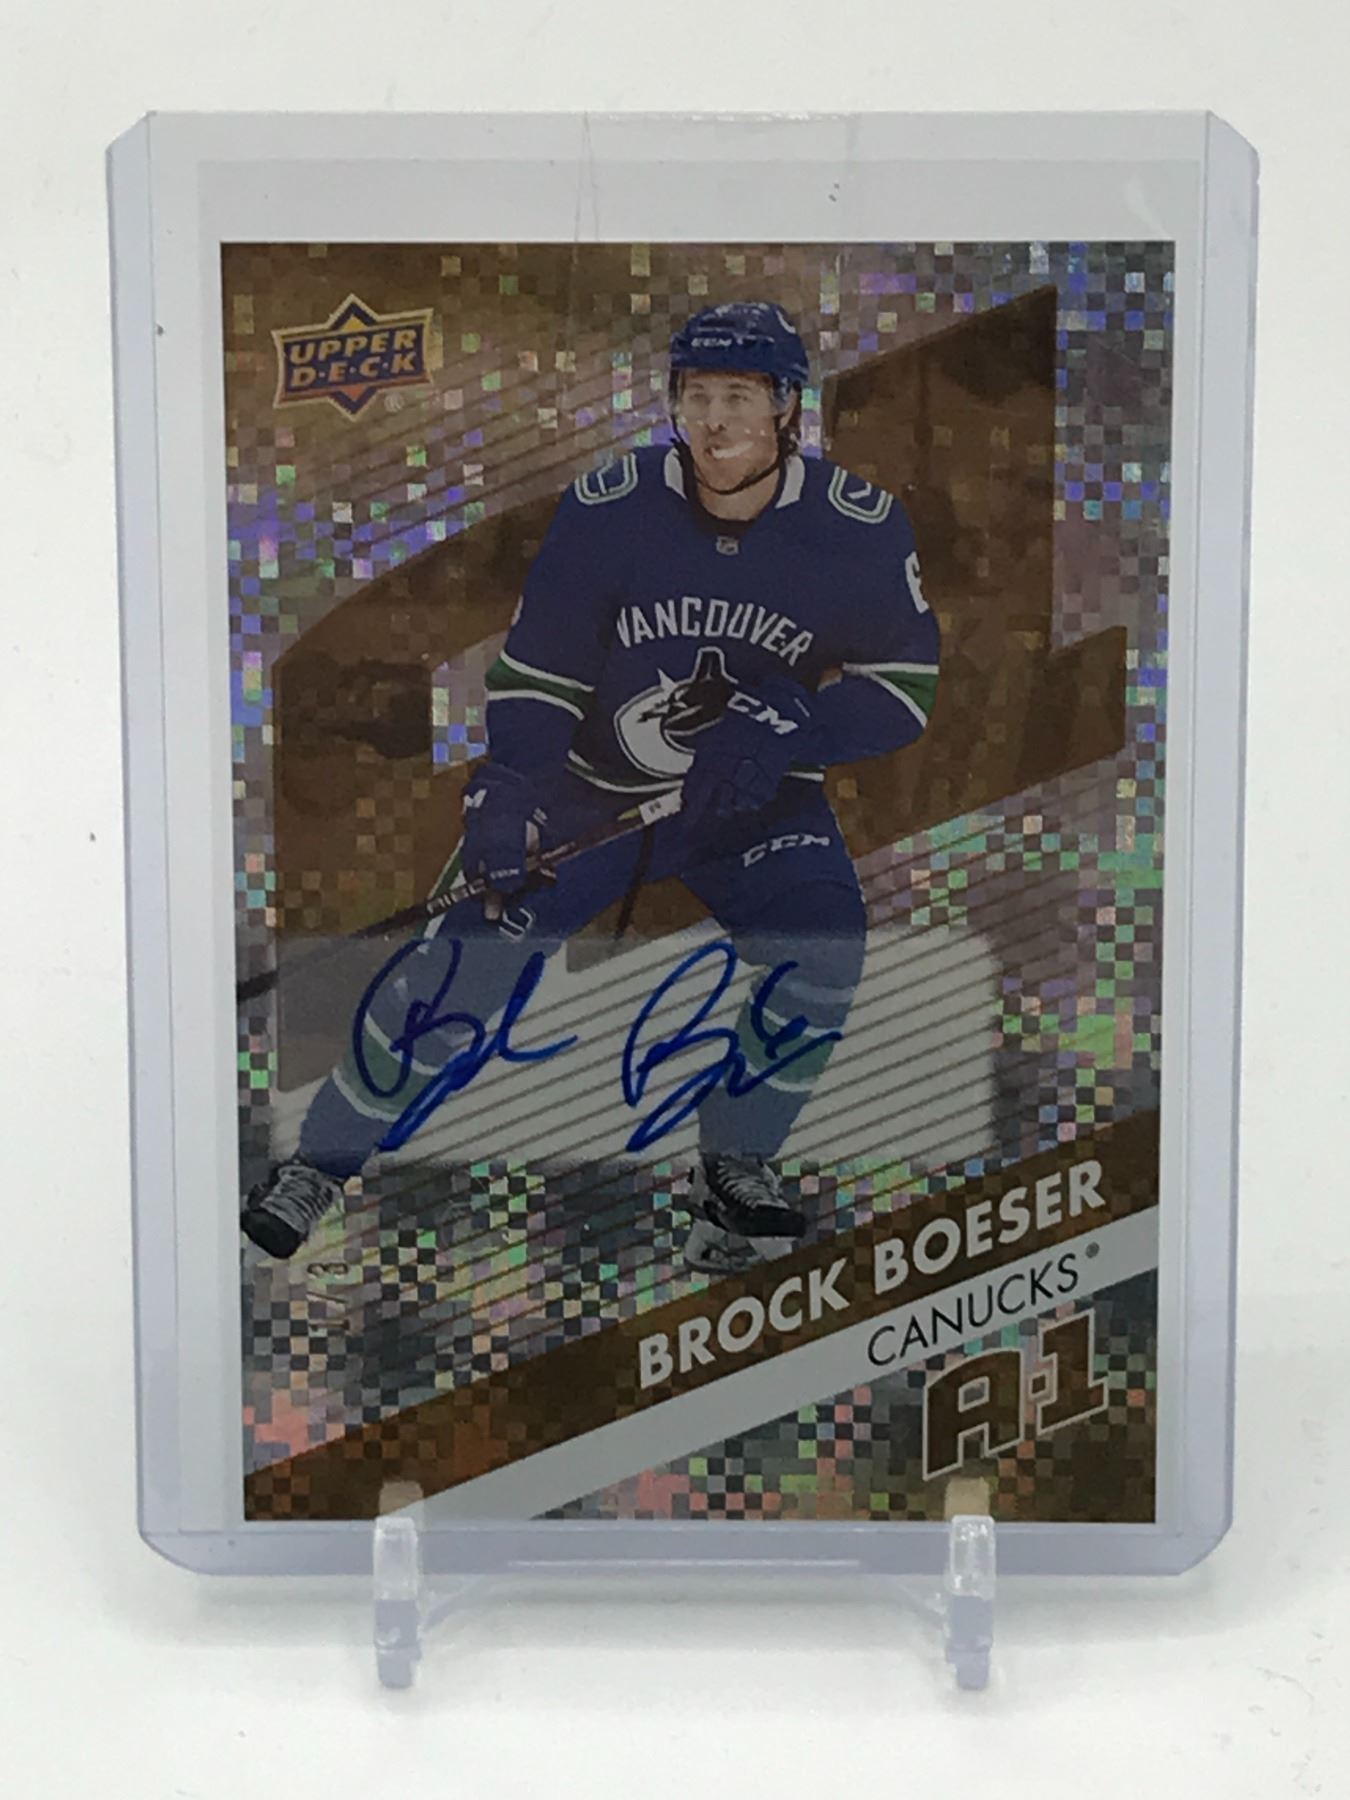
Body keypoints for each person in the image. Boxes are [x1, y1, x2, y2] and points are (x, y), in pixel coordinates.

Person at [242, 300, 939, 1275]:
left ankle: (735, 1164)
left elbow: (904, 688)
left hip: (749, 800)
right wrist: (509, 793)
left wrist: (797, 726)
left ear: (788, 407)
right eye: (697, 396)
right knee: (457, 972)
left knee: (822, 949)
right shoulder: (613, 506)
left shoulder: (856, 526)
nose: (715, 422)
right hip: (592, 788)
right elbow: (542, 673)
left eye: (740, 397)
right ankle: (319, 1163)